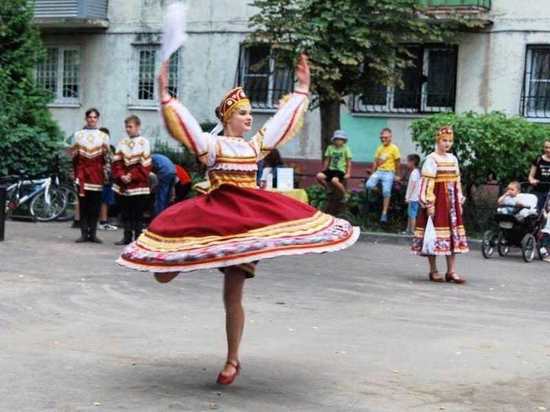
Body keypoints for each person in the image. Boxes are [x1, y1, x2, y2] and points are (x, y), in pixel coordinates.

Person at [117, 55, 359, 385]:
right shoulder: (213, 145)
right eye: (244, 113)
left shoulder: (253, 147)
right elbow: (189, 131)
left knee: (233, 295)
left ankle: (232, 360)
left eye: (249, 113)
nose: (250, 118)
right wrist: (166, 97)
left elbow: (279, 124)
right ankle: (179, 261)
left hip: (244, 224)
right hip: (213, 216)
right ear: (229, 116)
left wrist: (302, 90)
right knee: (163, 276)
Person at [411, 126, 469, 284]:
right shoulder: (431, 159)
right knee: (433, 235)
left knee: (451, 235)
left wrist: (459, 200)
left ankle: (451, 271)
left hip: (451, 203)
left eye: (450, 141)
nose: (447, 143)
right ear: (438, 141)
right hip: (438, 202)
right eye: (444, 140)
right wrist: (429, 203)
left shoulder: (453, 159)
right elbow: (427, 183)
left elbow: (457, 181)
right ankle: (433, 270)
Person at [112, 116, 152, 245]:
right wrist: (121, 175)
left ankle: (138, 239)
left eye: (130, 126)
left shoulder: (144, 142)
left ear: (138, 126)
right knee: (126, 212)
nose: (128, 129)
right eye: (126, 127)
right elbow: (117, 162)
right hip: (123, 184)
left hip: (138, 184)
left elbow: (145, 165)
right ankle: (127, 237)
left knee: (137, 213)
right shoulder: (122, 143)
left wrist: (131, 176)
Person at [71, 108, 110, 243]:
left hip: (97, 174)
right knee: (83, 205)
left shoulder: (103, 136)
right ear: (86, 119)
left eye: (94, 117)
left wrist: (106, 173)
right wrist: (75, 173)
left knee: (95, 205)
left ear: (97, 119)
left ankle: (93, 234)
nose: (92, 119)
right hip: (82, 174)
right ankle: (83, 233)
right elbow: (74, 158)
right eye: (90, 117)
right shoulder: (78, 135)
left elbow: (106, 158)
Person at [365, 128, 401, 223]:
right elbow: (375, 162)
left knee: (387, 191)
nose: (383, 139)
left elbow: (397, 162)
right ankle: (382, 193)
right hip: (379, 171)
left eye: (385, 137)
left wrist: (397, 174)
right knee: (369, 185)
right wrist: (373, 172)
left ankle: (384, 213)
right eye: (381, 138)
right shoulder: (379, 148)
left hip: (389, 172)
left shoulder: (394, 148)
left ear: (390, 137)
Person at [316, 130, 352, 198]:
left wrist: (348, 173)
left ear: (344, 141)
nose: (338, 141)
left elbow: (348, 162)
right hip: (331, 169)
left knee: (334, 181)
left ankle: (345, 194)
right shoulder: (330, 148)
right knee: (319, 176)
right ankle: (328, 188)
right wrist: (324, 170)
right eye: (337, 139)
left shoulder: (346, 149)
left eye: (340, 139)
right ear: (334, 140)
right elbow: (327, 160)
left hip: (340, 170)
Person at [98, 135, 118, 231]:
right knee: (103, 201)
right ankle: (102, 222)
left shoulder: (109, 152)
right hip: (100, 180)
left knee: (105, 201)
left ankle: (103, 221)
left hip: (108, 180)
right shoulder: (96, 152)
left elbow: (113, 164)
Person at [528, 140, 550, 211]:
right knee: (536, 211)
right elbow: (531, 176)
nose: (548, 150)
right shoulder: (538, 159)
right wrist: (532, 180)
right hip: (538, 191)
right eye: (546, 147)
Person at [404, 154, 421, 235]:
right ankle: (408, 229)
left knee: (412, 214)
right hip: (415, 197)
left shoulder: (414, 173)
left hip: (413, 197)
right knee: (410, 214)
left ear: (412, 162)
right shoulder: (417, 172)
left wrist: (408, 196)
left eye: (408, 161)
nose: (407, 163)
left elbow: (412, 186)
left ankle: (412, 230)